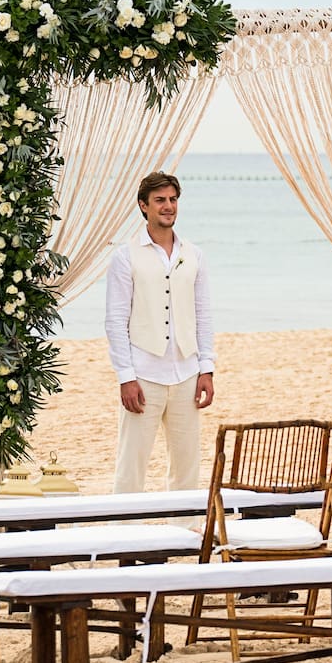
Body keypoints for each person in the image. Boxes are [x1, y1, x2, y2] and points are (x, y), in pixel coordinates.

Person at [105, 171, 215, 494]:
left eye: (172, 200)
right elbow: (115, 320)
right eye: (160, 201)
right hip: (143, 376)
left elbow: (203, 315)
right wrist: (126, 376)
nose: (168, 206)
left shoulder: (194, 255)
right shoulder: (125, 257)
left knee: (186, 468)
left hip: (186, 375)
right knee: (131, 467)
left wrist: (206, 368)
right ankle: (125, 539)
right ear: (143, 206)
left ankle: (186, 537)